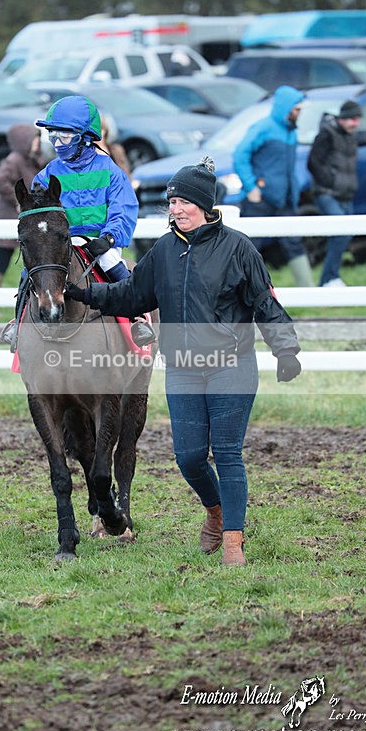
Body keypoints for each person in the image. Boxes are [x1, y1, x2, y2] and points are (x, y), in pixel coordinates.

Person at [65, 157, 302, 567]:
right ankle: (215, 510)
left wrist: (286, 350)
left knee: (227, 453)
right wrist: (84, 294)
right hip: (184, 368)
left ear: (205, 206)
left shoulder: (238, 248)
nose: (175, 209)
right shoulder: (164, 252)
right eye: (171, 202)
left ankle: (232, 543)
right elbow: (131, 295)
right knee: (189, 458)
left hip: (232, 365)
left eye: (182, 202)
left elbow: (265, 302)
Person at [1, 94, 155, 349]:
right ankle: (17, 324)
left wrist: (109, 238)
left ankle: (137, 320)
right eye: (54, 137)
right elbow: (39, 214)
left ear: (85, 137)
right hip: (63, 241)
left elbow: (124, 209)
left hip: (100, 240)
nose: (58, 143)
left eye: (65, 136)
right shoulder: (48, 173)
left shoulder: (111, 171)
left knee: (112, 264)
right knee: (32, 270)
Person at [233, 85, 315, 287]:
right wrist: (251, 187)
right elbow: (239, 155)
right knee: (250, 246)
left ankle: (309, 291)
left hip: (285, 199)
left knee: (294, 242)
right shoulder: (263, 128)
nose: (299, 113)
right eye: (296, 109)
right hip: (260, 199)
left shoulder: (291, 132)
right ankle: (236, 289)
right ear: (285, 108)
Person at [0, 124, 45, 317]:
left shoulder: (33, 160)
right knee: (3, 258)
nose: (38, 143)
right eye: (35, 139)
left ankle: (33, 299)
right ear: (24, 140)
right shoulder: (14, 160)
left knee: (35, 257)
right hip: (10, 216)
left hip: (28, 218)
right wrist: (18, 199)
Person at [307, 99, 362, 287]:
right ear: (343, 118)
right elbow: (313, 163)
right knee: (341, 234)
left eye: (358, 119)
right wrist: (330, 182)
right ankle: (327, 279)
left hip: (345, 194)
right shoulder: (326, 135)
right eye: (352, 119)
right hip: (327, 193)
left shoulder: (350, 136)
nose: (356, 124)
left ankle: (332, 277)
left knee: (345, 234)